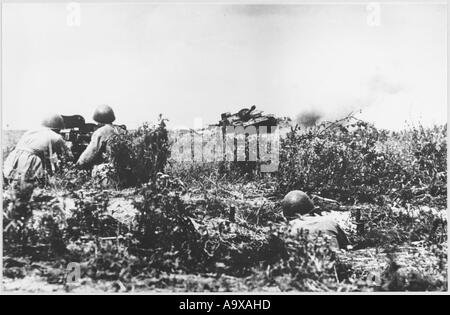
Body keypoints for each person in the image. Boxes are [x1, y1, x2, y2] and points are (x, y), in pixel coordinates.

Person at [3, 114, 73, 184]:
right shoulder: (56, 137)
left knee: (14, 184)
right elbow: (69, 157)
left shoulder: (29, 132)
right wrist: (70, 145)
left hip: (12, 162)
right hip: (30, 163)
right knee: (33, 186)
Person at [76, 105, 124, 186]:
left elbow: (91, 152)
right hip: (123, 171)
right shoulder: (121, 131)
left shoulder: (100, 132)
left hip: (108, 173)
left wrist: (78, 164)